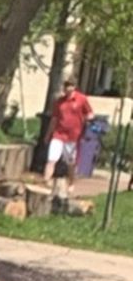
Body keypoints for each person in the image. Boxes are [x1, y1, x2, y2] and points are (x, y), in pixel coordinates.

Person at [45, 76, 92, 204]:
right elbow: (54, 119)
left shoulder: (81, 99)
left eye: (70, 85)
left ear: (74, 87)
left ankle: (71, 182)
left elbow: (90, 113)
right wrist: (48, 135)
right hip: (58, 134)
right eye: (66, 86)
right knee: (51, 159)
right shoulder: (59, 102)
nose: (68, 88)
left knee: (70, 163)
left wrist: (88, 119)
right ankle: (46, 183)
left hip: (73, 137)